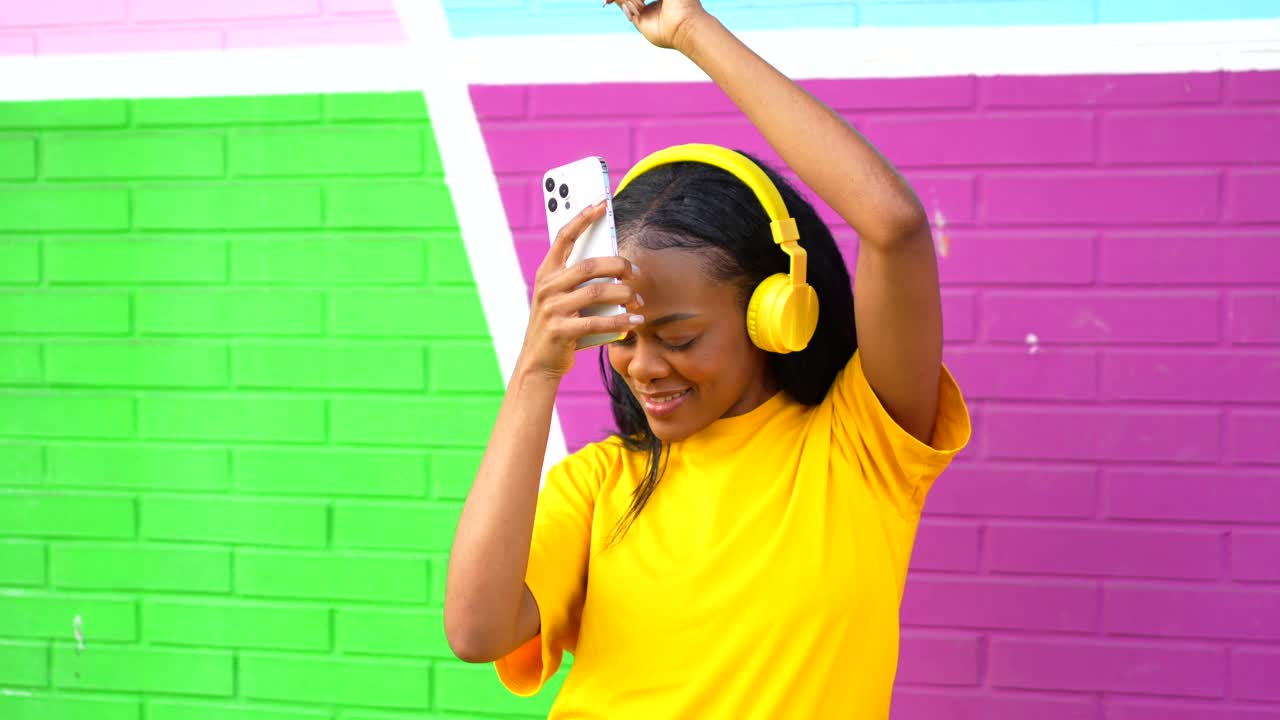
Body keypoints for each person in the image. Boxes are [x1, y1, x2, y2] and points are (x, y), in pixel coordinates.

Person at [444, 1, 972, 717]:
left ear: (776, 315)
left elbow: (895, 225)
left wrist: (690, 30)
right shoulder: (598, 485)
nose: (645, 365)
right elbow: (476, 631)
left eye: (680, 337)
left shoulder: (861, 446)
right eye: (623, 336)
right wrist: (537, 371)